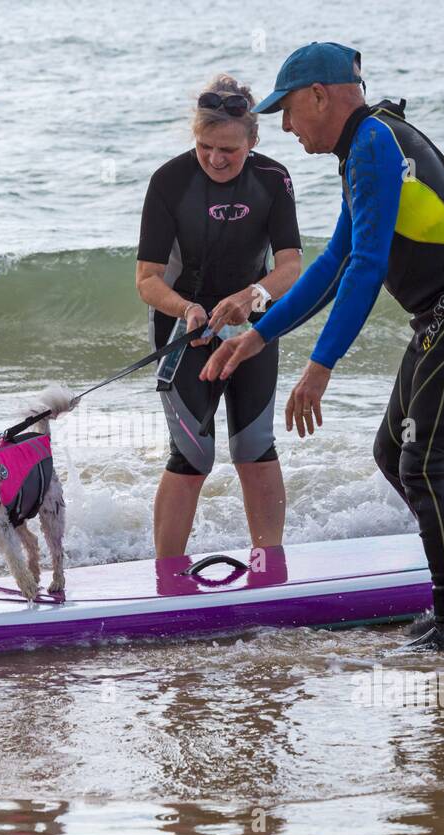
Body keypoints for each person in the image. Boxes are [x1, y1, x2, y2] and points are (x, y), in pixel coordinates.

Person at [200, 42, 444, 650]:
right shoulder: (367, 146)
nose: (285, 126)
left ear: (320, 96)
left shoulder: (373, 142)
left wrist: (320, 367)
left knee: (423, 463)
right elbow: (333, 263)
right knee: (394, 451)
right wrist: (257, 336)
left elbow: (368, 267)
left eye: (289, 110)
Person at [136, 74, 303, 558]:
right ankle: (167, 574)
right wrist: (188, 309)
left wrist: (252, 294)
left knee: (255, 449)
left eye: (229, 148)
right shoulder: (169, 181)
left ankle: (268, 564)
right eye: (206, 146)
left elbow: (290, 266)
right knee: (192, 457)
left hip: (252, 325)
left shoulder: (273, 180)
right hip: (183, 329)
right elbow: (147, 280)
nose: (216, 158)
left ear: (253, 139)